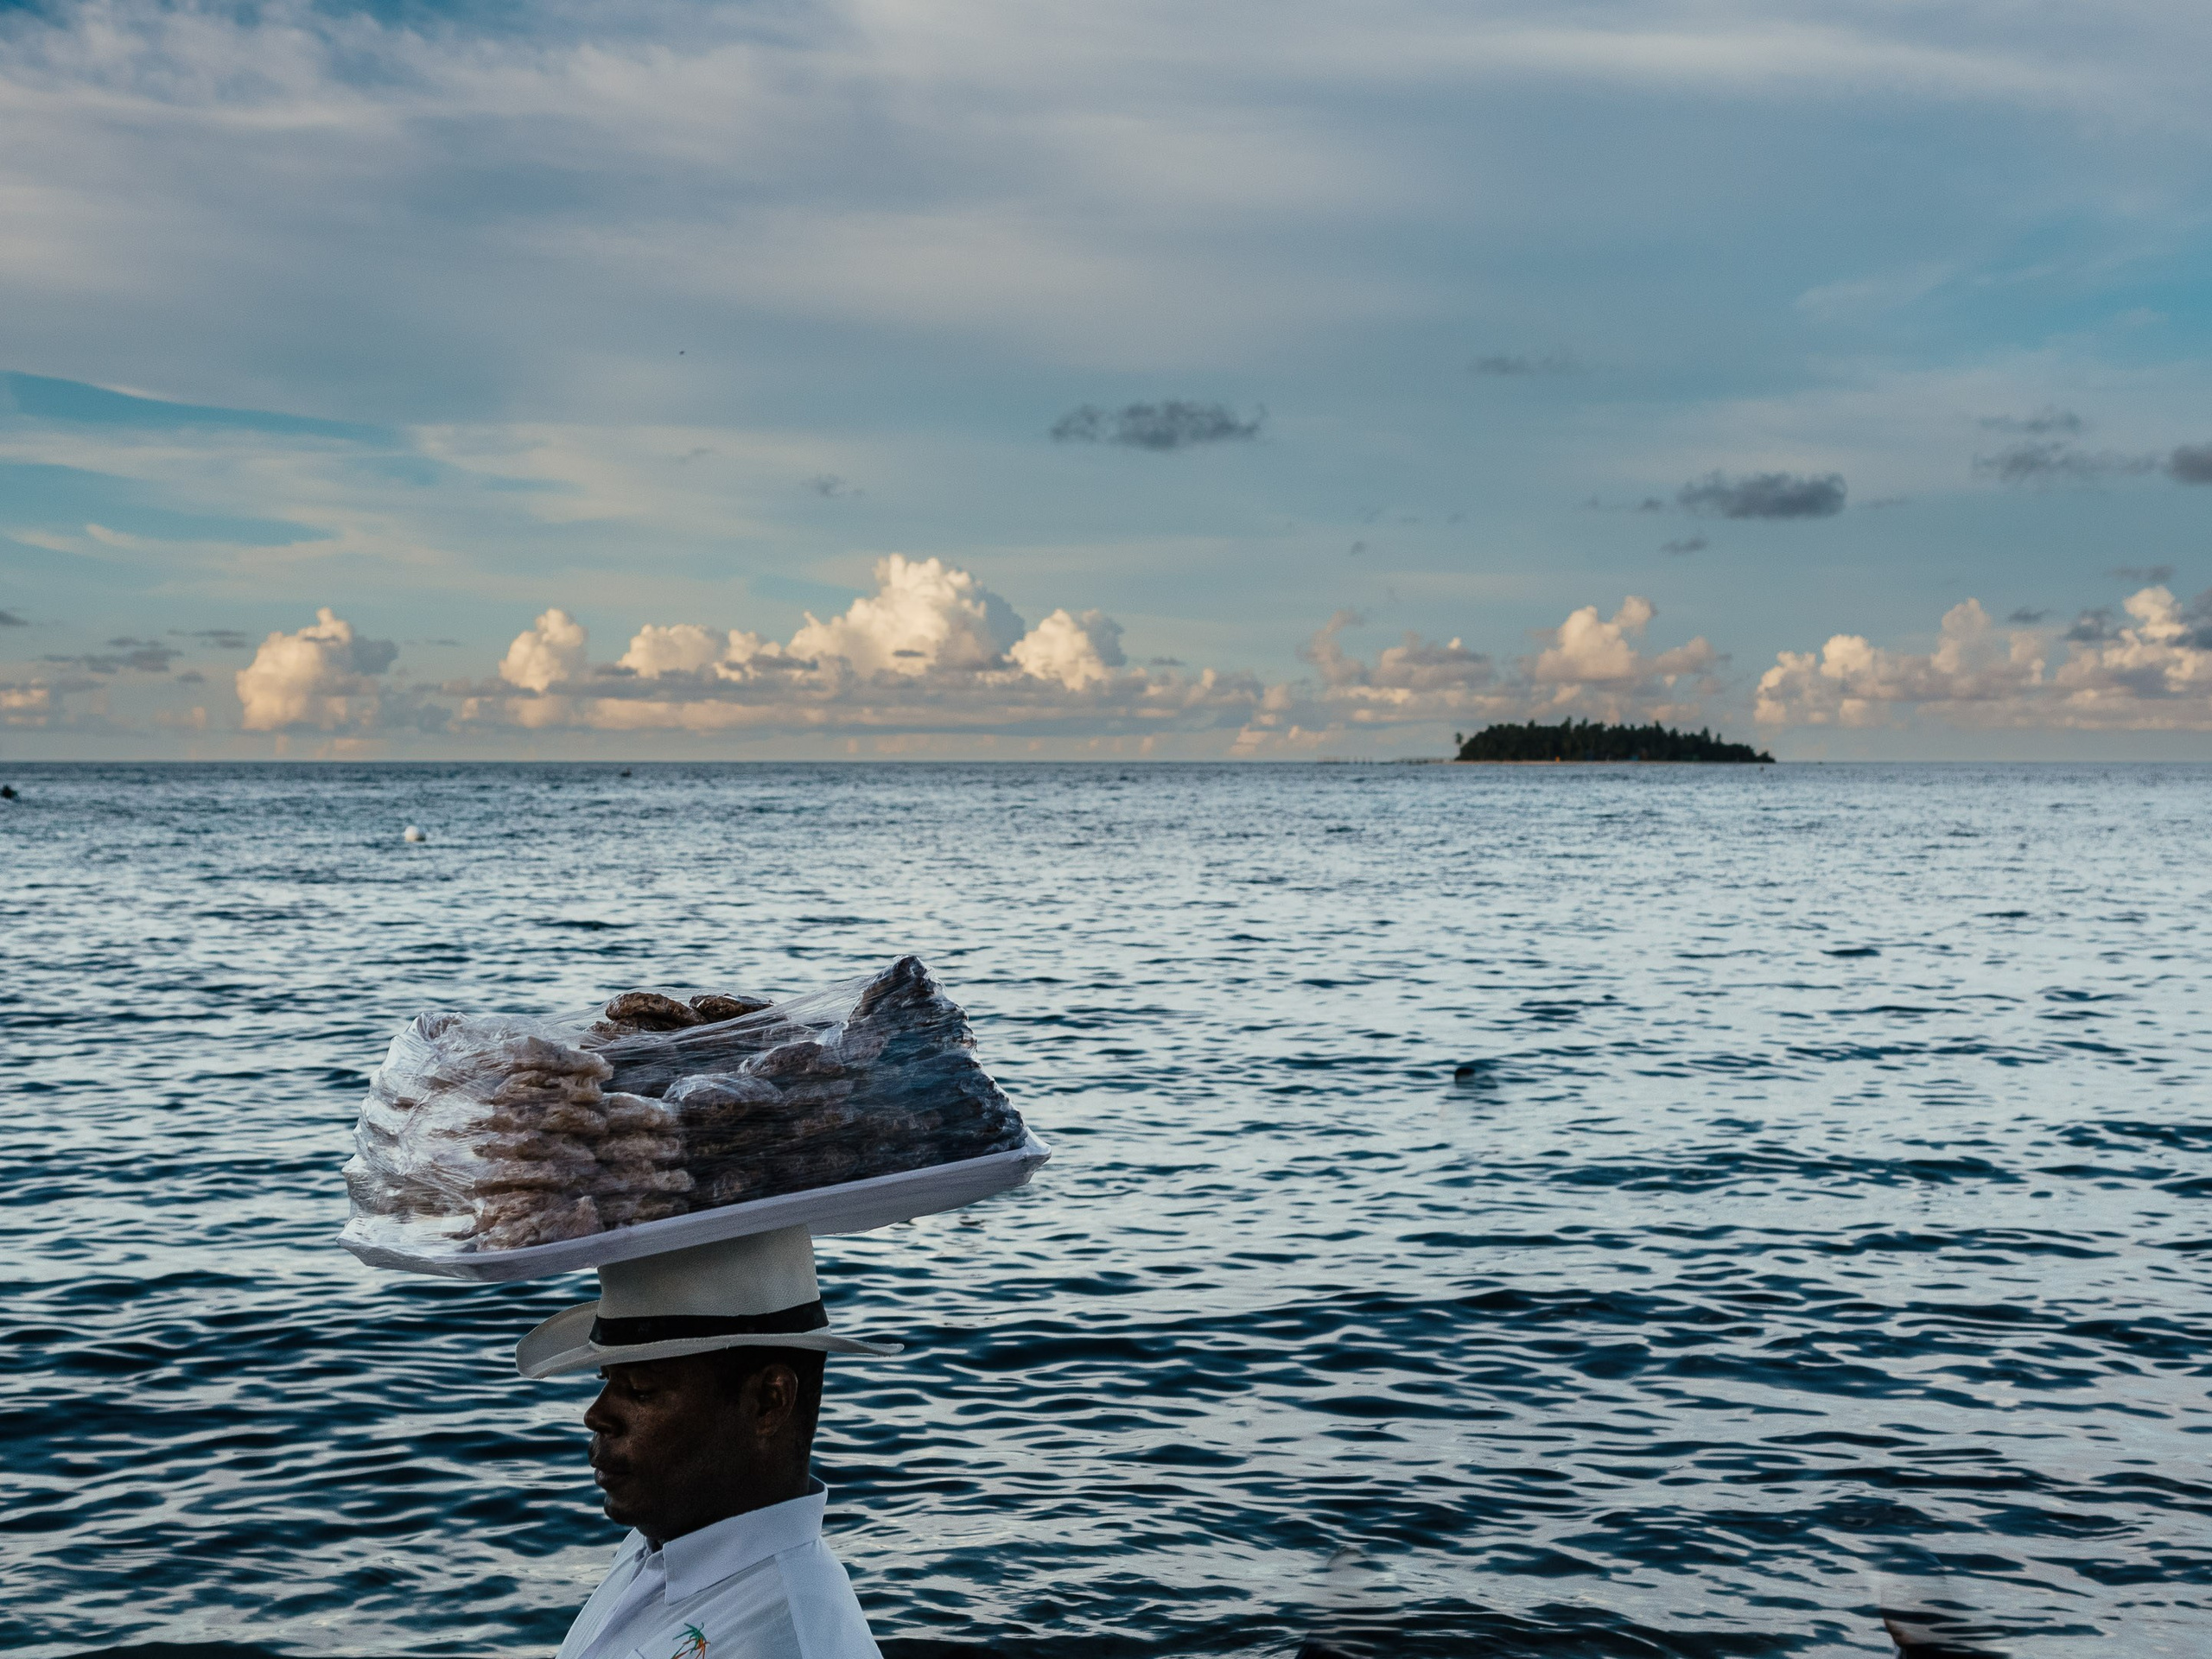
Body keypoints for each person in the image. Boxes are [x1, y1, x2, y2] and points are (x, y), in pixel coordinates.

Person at [515, 1225, 901, 1659]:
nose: (596, 1415)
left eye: (640, 1389)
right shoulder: (660, 1541)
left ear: (768, 1402)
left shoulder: (787, 1642)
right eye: (605, 1379)